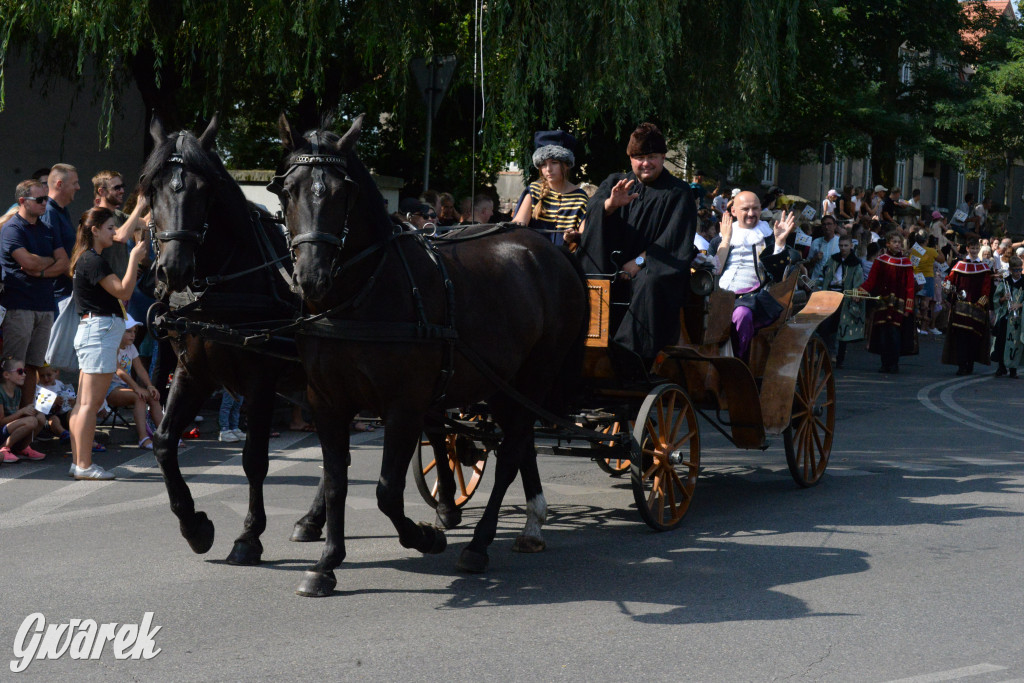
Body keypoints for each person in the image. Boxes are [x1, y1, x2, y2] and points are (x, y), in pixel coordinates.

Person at [576, 122, 697, 368]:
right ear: (630, 158)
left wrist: (640, 262)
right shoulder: (615, 182)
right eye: (639, 157)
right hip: (612, 263)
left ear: (663, 157)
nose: (646, 163)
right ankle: (584, 345)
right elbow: (592, 215)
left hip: (655, 269)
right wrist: (610, 206)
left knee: (649, 281)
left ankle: (630, 357)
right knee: (588, 276)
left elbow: (674, 240)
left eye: (652, 156)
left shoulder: (679, 193)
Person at [66, 207, 148, 480]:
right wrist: (134, 258)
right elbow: (123, 291)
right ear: (95, 230)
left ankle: (79, 462)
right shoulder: (93, 260)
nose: (115, 232)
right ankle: (84, 465)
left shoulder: (86, 259)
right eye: (111, 227)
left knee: (84, 403)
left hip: (95, 331)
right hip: (98, 332)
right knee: (90, 403)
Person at [0, 180, 70, 409]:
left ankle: (27, 423)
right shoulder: (12, 228)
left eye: (46, 199)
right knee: (14, 367)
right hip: (19, 305)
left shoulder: (47, 228)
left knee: (34, 366)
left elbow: (65, 263)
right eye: (40, 200)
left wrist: (39, 270)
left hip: (45, 305)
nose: (45, 204)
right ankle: (9, 424)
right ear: (22, 201)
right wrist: (48, 262)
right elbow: (27, 261)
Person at [716, 191, 797, 359]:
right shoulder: (720, 238)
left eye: (755, 209)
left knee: (742, 315)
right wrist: (725, 240)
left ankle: (739, 361)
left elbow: (777, 275)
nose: (751, 214)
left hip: (753, 297)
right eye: (745, 209)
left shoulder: (768, 237)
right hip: (719, 294)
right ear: (733, 212)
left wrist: (779, 243)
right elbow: (713, 269)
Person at [512, 130, 588, 248]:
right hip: (536, 255)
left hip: (566, 260)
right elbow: (518, 225)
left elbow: (586, 234)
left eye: (554, 162)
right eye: (543, 164)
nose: (548, 169)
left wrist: (574, 236)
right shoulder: (534, 191)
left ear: (566, 165)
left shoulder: (580, 197)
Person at [857, 231, 917, 373]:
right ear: (888, 244)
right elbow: (871, 280)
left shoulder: (906, 262)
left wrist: (909, 306)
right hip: (883, 303)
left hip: (899, 304)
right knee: (883, 334)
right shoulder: (881, 260)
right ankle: (884, 363)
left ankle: (894, 363)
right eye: (894, 242)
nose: (897, 245)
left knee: (895, 334)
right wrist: (860, 291)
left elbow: (910, 286)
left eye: (899, 242)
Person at [105, 316, 164, 449]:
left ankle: (164, 436)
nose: (133, 335)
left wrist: (150, 386)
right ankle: (143, 438)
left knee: (153, 396)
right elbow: (119, 370)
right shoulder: (112, 347)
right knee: (139, 397)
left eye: (134, 332)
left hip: (125, 387)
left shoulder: (131, 348)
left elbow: (140, 369)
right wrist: (136, 387)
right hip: (110, 388)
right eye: (129, 331)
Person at [942, 238, 993, 376]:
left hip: (977, 308)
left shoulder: (984, 267)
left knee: (973, 338)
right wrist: (946, 286)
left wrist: (982, 302)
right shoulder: (959, 265)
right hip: (961, 307)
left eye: (977, 249)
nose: (975, 251)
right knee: (961, 337)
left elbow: (987, 287)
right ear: (967, 249)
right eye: (972, 248)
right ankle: (961, 365)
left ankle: (969, 363)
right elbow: (950, 280)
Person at [817, 234, 865, 368]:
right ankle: (826, 354)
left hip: (845, 298)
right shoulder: (833, 259)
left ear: (851, 246)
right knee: (825, 327)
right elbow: (824, 275)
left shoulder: (856, 263)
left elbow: (858, 281)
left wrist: (856, 293)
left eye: (845, 245)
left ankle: (840, 359)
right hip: (830, 295)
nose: (843, 248)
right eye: (841, 245)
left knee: (843, 328)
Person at [0, 357, 47, 463]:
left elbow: (15, 416)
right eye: (20, 372)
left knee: (40, 417)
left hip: (9, 429)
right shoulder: (1, 391)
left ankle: (22, 448)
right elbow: (1, 422)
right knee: (31, 421)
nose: (24, 375)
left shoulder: (17, 391)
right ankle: (3, 448)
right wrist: (22, 412)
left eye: (24, 371)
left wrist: (33, 410)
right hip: (2, 430)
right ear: (6, 375)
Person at [992, 257, 1023, 378]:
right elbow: (996, 299)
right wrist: (1003, 298)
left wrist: (1019, 304)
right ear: (1010, 270)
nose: (1018, 273)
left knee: (1016, 344)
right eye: (1015, 270)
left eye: (1020, 269)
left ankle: (1013, 368)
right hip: (1005, 316)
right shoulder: (1005, 282)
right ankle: (1001, 367)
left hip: (1018, 319)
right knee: (1001, 341)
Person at [909, 230, 946, 335]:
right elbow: (942, 260)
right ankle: (924, 329)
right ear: (927, 240)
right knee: (925, 305)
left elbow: (910, 262)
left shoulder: (913, 250)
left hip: (916, 276)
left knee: (915, 303)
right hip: (928, 278)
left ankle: (914, 327)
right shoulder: (931, 251)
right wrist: (938, 248)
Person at [36, 364, 74, 439]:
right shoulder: (39, 387)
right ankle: (63, 433)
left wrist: (71, 401)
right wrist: (52, 401)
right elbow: (38, 405)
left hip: (61, 414)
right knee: (54, 419)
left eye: (49, 375)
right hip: (48, 417)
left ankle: (76, 431)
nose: (46, 378)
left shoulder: (60, 384)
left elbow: (68, 395)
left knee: (72, 413)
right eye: (42, 376)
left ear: (56, 372)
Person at [807, 214, 840, 281]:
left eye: (829, 224)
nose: (826, 227)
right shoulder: (816, 242)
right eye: (824, 224)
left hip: (834, 282)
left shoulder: (840, 242)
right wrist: (815, 258)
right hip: (816, 281)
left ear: (835, 226)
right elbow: (807, 265)